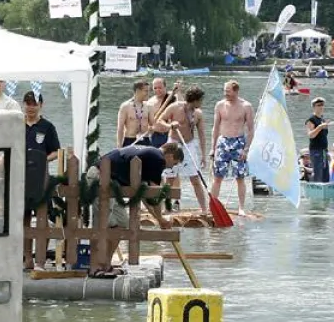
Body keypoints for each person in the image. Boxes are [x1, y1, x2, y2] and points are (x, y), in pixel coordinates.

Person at [88, 142, 183, 229]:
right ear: (170, 156)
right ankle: (97, 248)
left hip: (113, 185)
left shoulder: (150, 157)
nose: (171, 167)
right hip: (99, 176)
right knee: (105, 225)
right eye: (174, 163)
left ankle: (106, 248)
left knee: (122, 224)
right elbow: (155, 196)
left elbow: (146, 195)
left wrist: (158, 219)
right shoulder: (158, 159)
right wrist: (161, 218)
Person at [157, 85, 208, 213]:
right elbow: (159, 121)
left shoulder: (198, 113)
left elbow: (202, 135)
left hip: (189, 145)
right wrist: (170, 125)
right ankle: (165, 208)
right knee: (169, 179)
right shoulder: (175, 107)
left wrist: (203, 155)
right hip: (173, 144)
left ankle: (204, 210)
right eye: (200, 100)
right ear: (195, 100)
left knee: (195, 179)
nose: (201, 102)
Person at [209, 80, 254, 216]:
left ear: (235, 91)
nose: (225, 94)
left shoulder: (246, 106)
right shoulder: (220, 105)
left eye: (228, 91)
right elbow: (215, 127)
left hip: (238, 142)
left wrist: (246, 149)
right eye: (224, 91)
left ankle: (241, 207)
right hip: (223, 142)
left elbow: (251, 130)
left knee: (240, 177)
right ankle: (213, 205)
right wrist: (213, 148)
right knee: (217, 176)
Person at [22, 91, 60, 162]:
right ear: (24, 104)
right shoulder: (17, 125)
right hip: (19, 167)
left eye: (35, 104)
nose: (31, 107)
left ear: (41, 105)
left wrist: (43, 161)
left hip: (40, 169)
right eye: (28, 104)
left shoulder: (48, 127)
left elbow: (56, 152)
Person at [116, 80, 151, 146]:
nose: (148, 93)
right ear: (138, 91)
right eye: (146, 91)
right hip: (130, 140)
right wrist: (119, 146)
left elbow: (153, 125)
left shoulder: (149, 106)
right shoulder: (125, 106)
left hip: (145, 140)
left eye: (149, 91)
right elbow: (120, 128)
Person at [305, 97, 330, 182]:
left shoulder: (322, 120)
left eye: (322, 105)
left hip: (324, 150)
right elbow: (310, 135)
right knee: (318, 172)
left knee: (326, 173)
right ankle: (315, 188)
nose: (321, 107)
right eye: (319, 105)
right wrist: (319, 128)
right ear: (314, 107)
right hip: (316, 150)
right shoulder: (311, 120)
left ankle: (325, 190)